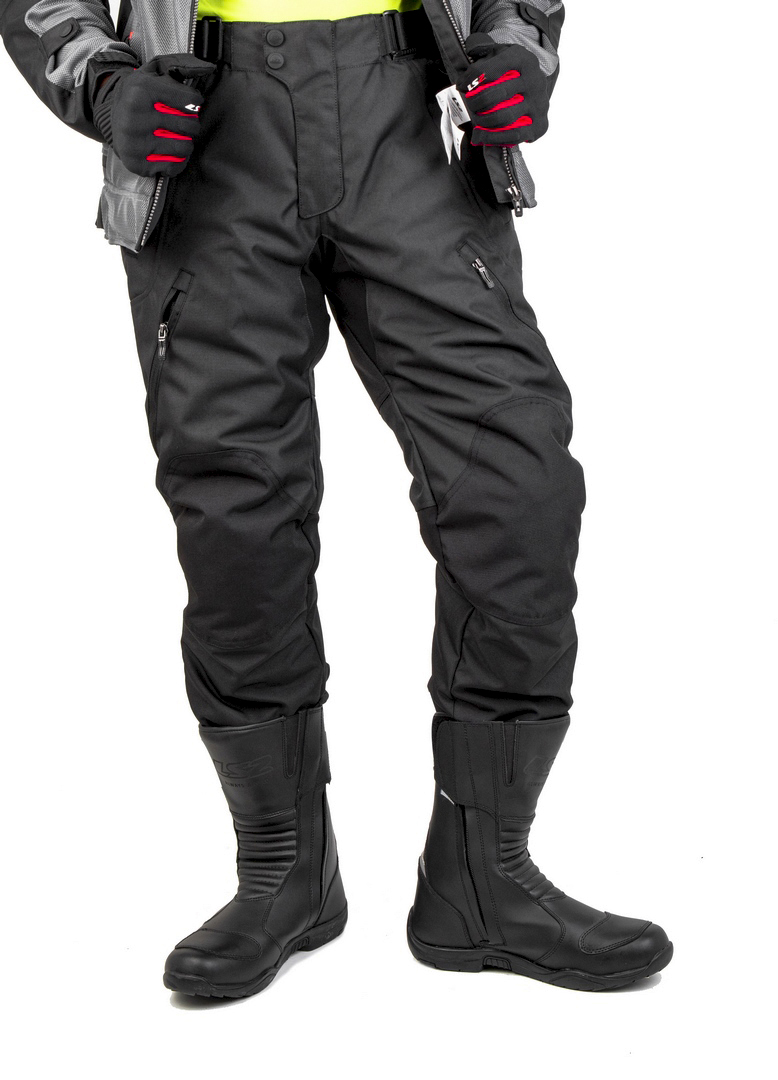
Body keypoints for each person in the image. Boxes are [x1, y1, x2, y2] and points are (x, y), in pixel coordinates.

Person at [0, 0, 673, 998]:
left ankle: (484, 875)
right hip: (200, 124)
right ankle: (282, 870)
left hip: (412, 116)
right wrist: (102, 84)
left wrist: (521, 49)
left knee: (516, 482)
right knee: (237, 515)